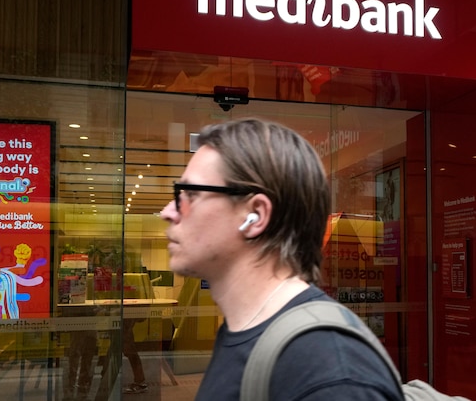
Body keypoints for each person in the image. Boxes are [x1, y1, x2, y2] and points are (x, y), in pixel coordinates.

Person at [159, 118, 402, 400]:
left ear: (255, 216)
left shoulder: (327, 370)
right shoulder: (242, 330)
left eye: (190, 194)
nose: (168, 211)